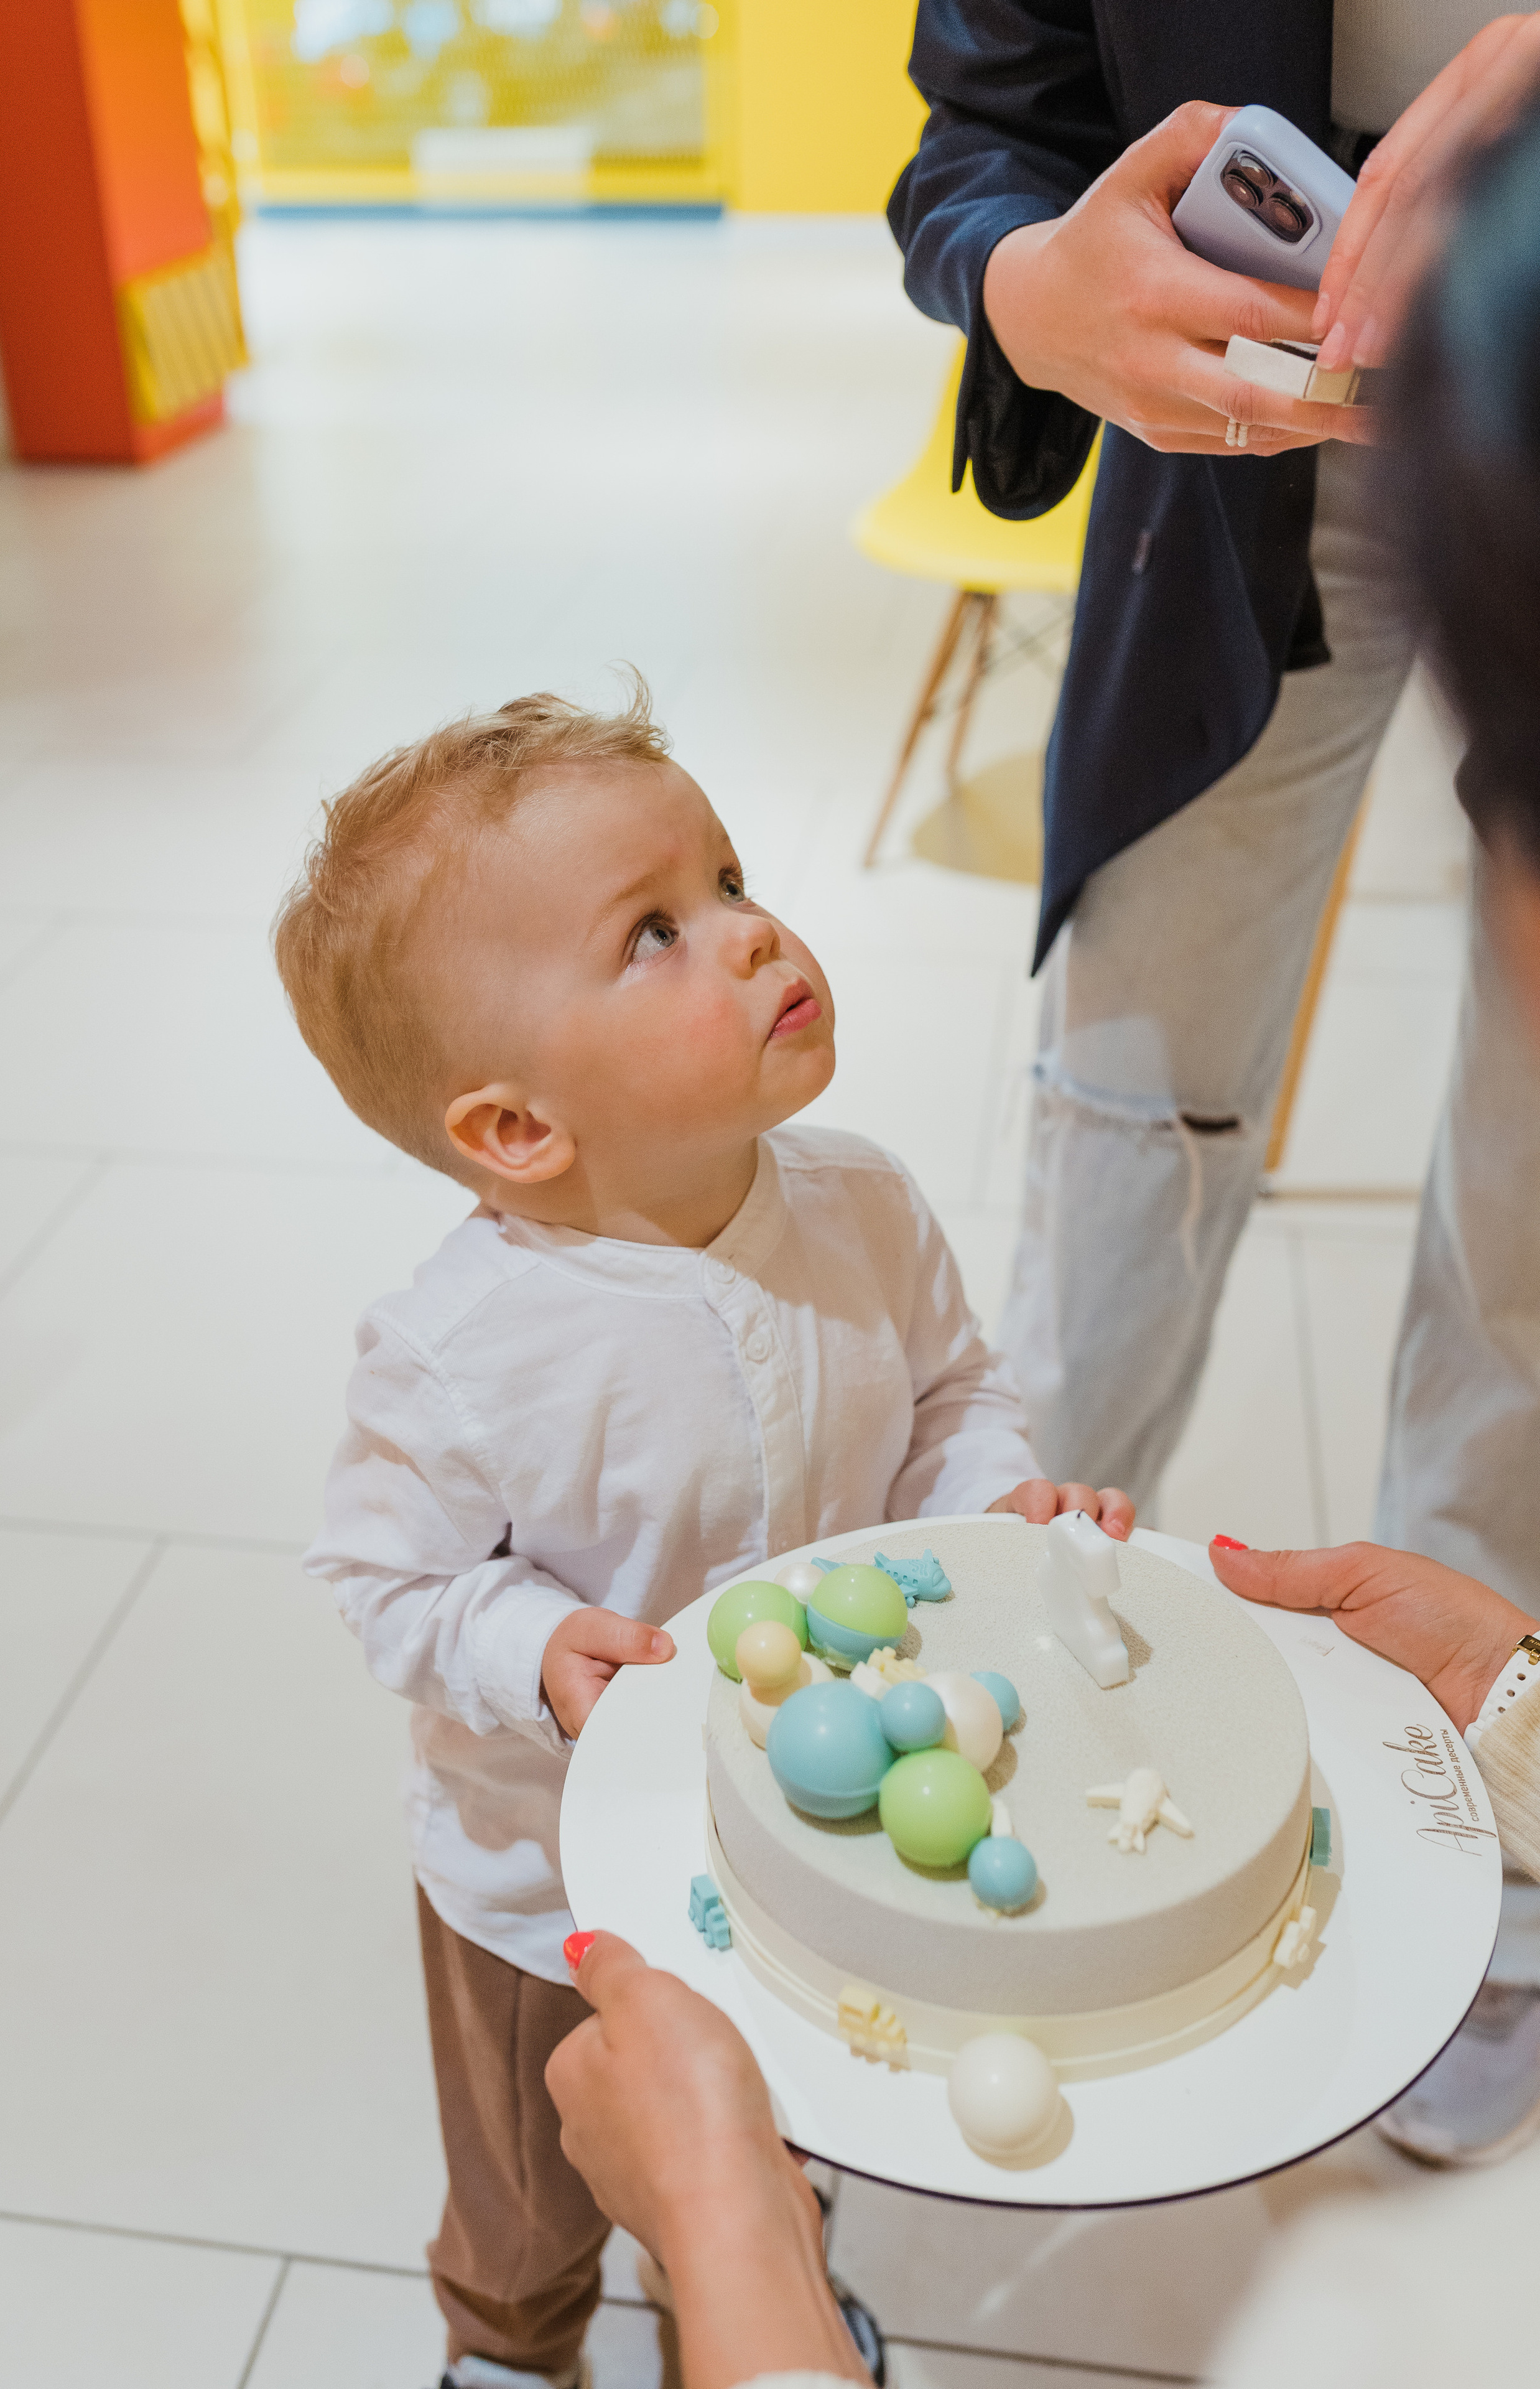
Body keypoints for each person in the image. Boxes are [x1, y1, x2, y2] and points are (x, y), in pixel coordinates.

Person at [540, 91, 1540, 2389]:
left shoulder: (1388, 2332)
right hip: (1227, 482)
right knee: (1128, 1132)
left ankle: (1486, 1887)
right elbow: (972, 143)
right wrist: (1026, 279)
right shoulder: (515, 1328)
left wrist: (730, 2250)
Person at [273, 689, 1134, 2389]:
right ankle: (513, 2342)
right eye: (656, 932)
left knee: (791, 2098)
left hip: (811, 1846)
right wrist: (527, 1644)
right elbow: (386, 1578)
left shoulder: (864, 1205)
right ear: (517, 1128)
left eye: (730, 877)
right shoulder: (466, 1347)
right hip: (549, 1885)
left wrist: (994, 1507)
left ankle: (758, 2303)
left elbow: (951, 1399)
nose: (751, 933)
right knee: (531, 2178)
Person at [887, 2, 1540, 1613]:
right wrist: (1034, 288)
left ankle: (1479, 1710)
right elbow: (985, 135)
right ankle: (1026, 1597)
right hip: (1257, 436)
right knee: (1137, 1087)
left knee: (1529, 1154)